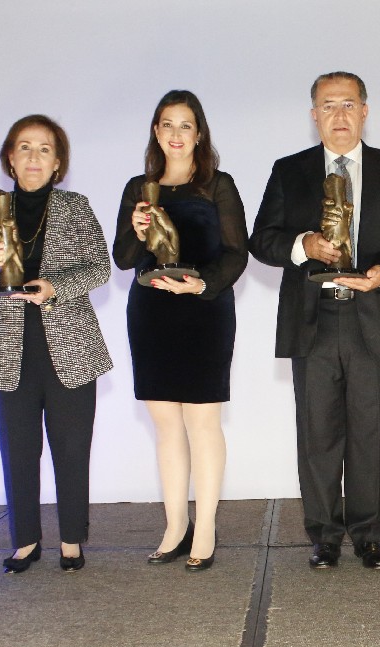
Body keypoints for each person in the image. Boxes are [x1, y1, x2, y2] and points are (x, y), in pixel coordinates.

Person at [250, 71, 380, 570]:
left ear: (365, 111)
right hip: (313, 320)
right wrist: (303, 245)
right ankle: (325, 536)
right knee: (318, 435)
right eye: (328, 105)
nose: (339, 115)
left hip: (373, 316)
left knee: (371, 434)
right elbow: (261, 240)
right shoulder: (289, 171)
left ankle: (370, 535)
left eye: (348, 104)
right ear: (314, 115)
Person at [0, 114, 112, 574]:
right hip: (11, 347)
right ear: (10, 158)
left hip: (70, 345)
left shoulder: (75, 206)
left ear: (58, 162)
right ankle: (25, 541)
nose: (34, 157)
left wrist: (55, 287)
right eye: (24, 148)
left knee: (71, 447)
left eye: (44, 149)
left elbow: (100, 268)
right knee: (18, 449)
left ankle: (71, 540)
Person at [113, 90, 247, 571]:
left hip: (204, 311)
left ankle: (205, 526)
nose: (176, 134)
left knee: (202, 424)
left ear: (199, 133)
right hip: (151, 315)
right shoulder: (138, 188)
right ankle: (174, 526)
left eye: (185, 125)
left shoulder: (218, 185)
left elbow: (237, 253)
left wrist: (202, 284)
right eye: (167, 124)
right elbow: (123, 259)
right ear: (156, 131)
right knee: (166, 426)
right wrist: (135, 229)